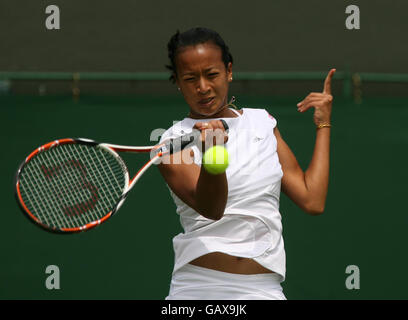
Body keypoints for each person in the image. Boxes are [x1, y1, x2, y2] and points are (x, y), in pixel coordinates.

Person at [157, 27, 334, 300]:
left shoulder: (262, 123)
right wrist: (212, 156)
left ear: (229, 71)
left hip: (264, 289)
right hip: (197, 289)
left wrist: (323, 124)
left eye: (212, 74)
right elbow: (212, 208)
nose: (202, 87)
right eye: (190, 78)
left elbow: (312, 199)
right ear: (178, 82)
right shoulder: (172, 142)